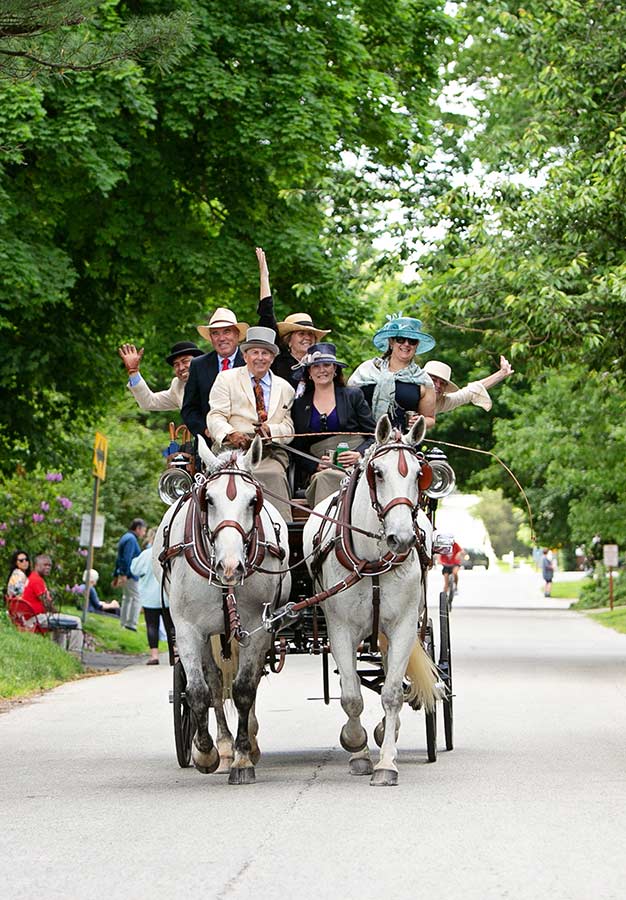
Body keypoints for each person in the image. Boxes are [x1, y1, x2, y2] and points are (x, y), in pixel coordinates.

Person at [182, 247, 277, 439]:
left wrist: (264, 278)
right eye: (215, 333)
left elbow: (268, 324)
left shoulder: (253, 362)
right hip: (212, 440)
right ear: (210, 338)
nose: (221, 337)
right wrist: (208, 431)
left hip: (251, 439)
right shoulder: (199, 365)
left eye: (227, 332)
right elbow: (189, 409)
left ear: (237, 334)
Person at [206, 326, 295, 522]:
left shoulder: (286, 388)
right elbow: (215, 417)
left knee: (272, 475)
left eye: (265, 353)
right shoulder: (226, 379)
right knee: (228, 481)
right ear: (245, 356)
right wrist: (231, 433)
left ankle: (280, 533)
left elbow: (289, 428)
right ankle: (222, 529)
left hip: (269, 452)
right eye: (254, 352)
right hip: (231, 451)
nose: (260, 358)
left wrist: (271, 430)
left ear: (272, 358)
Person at [292, 343, 376, 508]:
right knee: (324, 478)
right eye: (315, 366)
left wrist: (359, 455)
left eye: (326, 365)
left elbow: (374, 435)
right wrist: (314, 464)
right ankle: (325, 530)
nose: (321, 370)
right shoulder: (300, 404)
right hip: (322, 470)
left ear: (335, 369)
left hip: (356, 466)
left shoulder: (353, 396)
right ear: (309, 372)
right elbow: (296, 446)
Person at [348, 314, 436, 430]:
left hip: (402, 442)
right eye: (400, 339)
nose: (406, 344)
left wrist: (420, 421)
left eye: (412, 341)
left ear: (417, 345)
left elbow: (430, 418)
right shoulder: (367, 369)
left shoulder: (424, 380)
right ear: (391, 341)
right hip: (362, 437)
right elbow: (346, 402)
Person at [118, 340, 204, 411]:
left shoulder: (213, 376)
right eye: (176, 365)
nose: (181, 368)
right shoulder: (177, 386)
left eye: (185, 361)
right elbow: (149, 402)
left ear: (198, 361)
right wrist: (133, 372)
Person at [22, 554, 84, 652]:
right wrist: (56, 613)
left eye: (50, 565)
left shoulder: (32, 577)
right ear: (37, 565)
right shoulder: (36, 580)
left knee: (59, 624)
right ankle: (75, 653)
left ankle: (59, 652)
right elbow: (46, 603)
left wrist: (56, 614)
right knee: (76, 621)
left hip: (33, 617)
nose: (48, 568)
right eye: (45, 565)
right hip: (35, 619)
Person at [131, 528, 173, 665]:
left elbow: (134, 569)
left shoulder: (145, 554)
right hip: (166, 597)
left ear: (150, 539)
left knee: (152, 626)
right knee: (170, 626)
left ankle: (154, 656)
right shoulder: (167, 553)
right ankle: (176, 653)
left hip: (149, 598)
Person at [423, 356, 514, 417]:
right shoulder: (410, 391)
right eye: (433, 380)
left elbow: (471, 391)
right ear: (422, 380)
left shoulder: (441, 402)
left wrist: (501, 374)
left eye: (442, 383)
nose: (438, 385)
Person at [273, 313, 331, 393]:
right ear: (289, 340)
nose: (307, 338)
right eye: (301, 334)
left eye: (310, 334)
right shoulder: (277, 363)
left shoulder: (322, 363)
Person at [113, 518, 147, 631]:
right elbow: (127, 558)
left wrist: (117, 574)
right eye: (143, 530)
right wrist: (124, 574)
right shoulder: (131, 540)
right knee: (137, 598)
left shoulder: (125, 537)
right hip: (130, 575)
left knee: (127, 598)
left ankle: (123, 623)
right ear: (137, 528)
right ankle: (131, 624)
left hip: (125, 573)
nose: (144, 533)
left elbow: (119, 558)